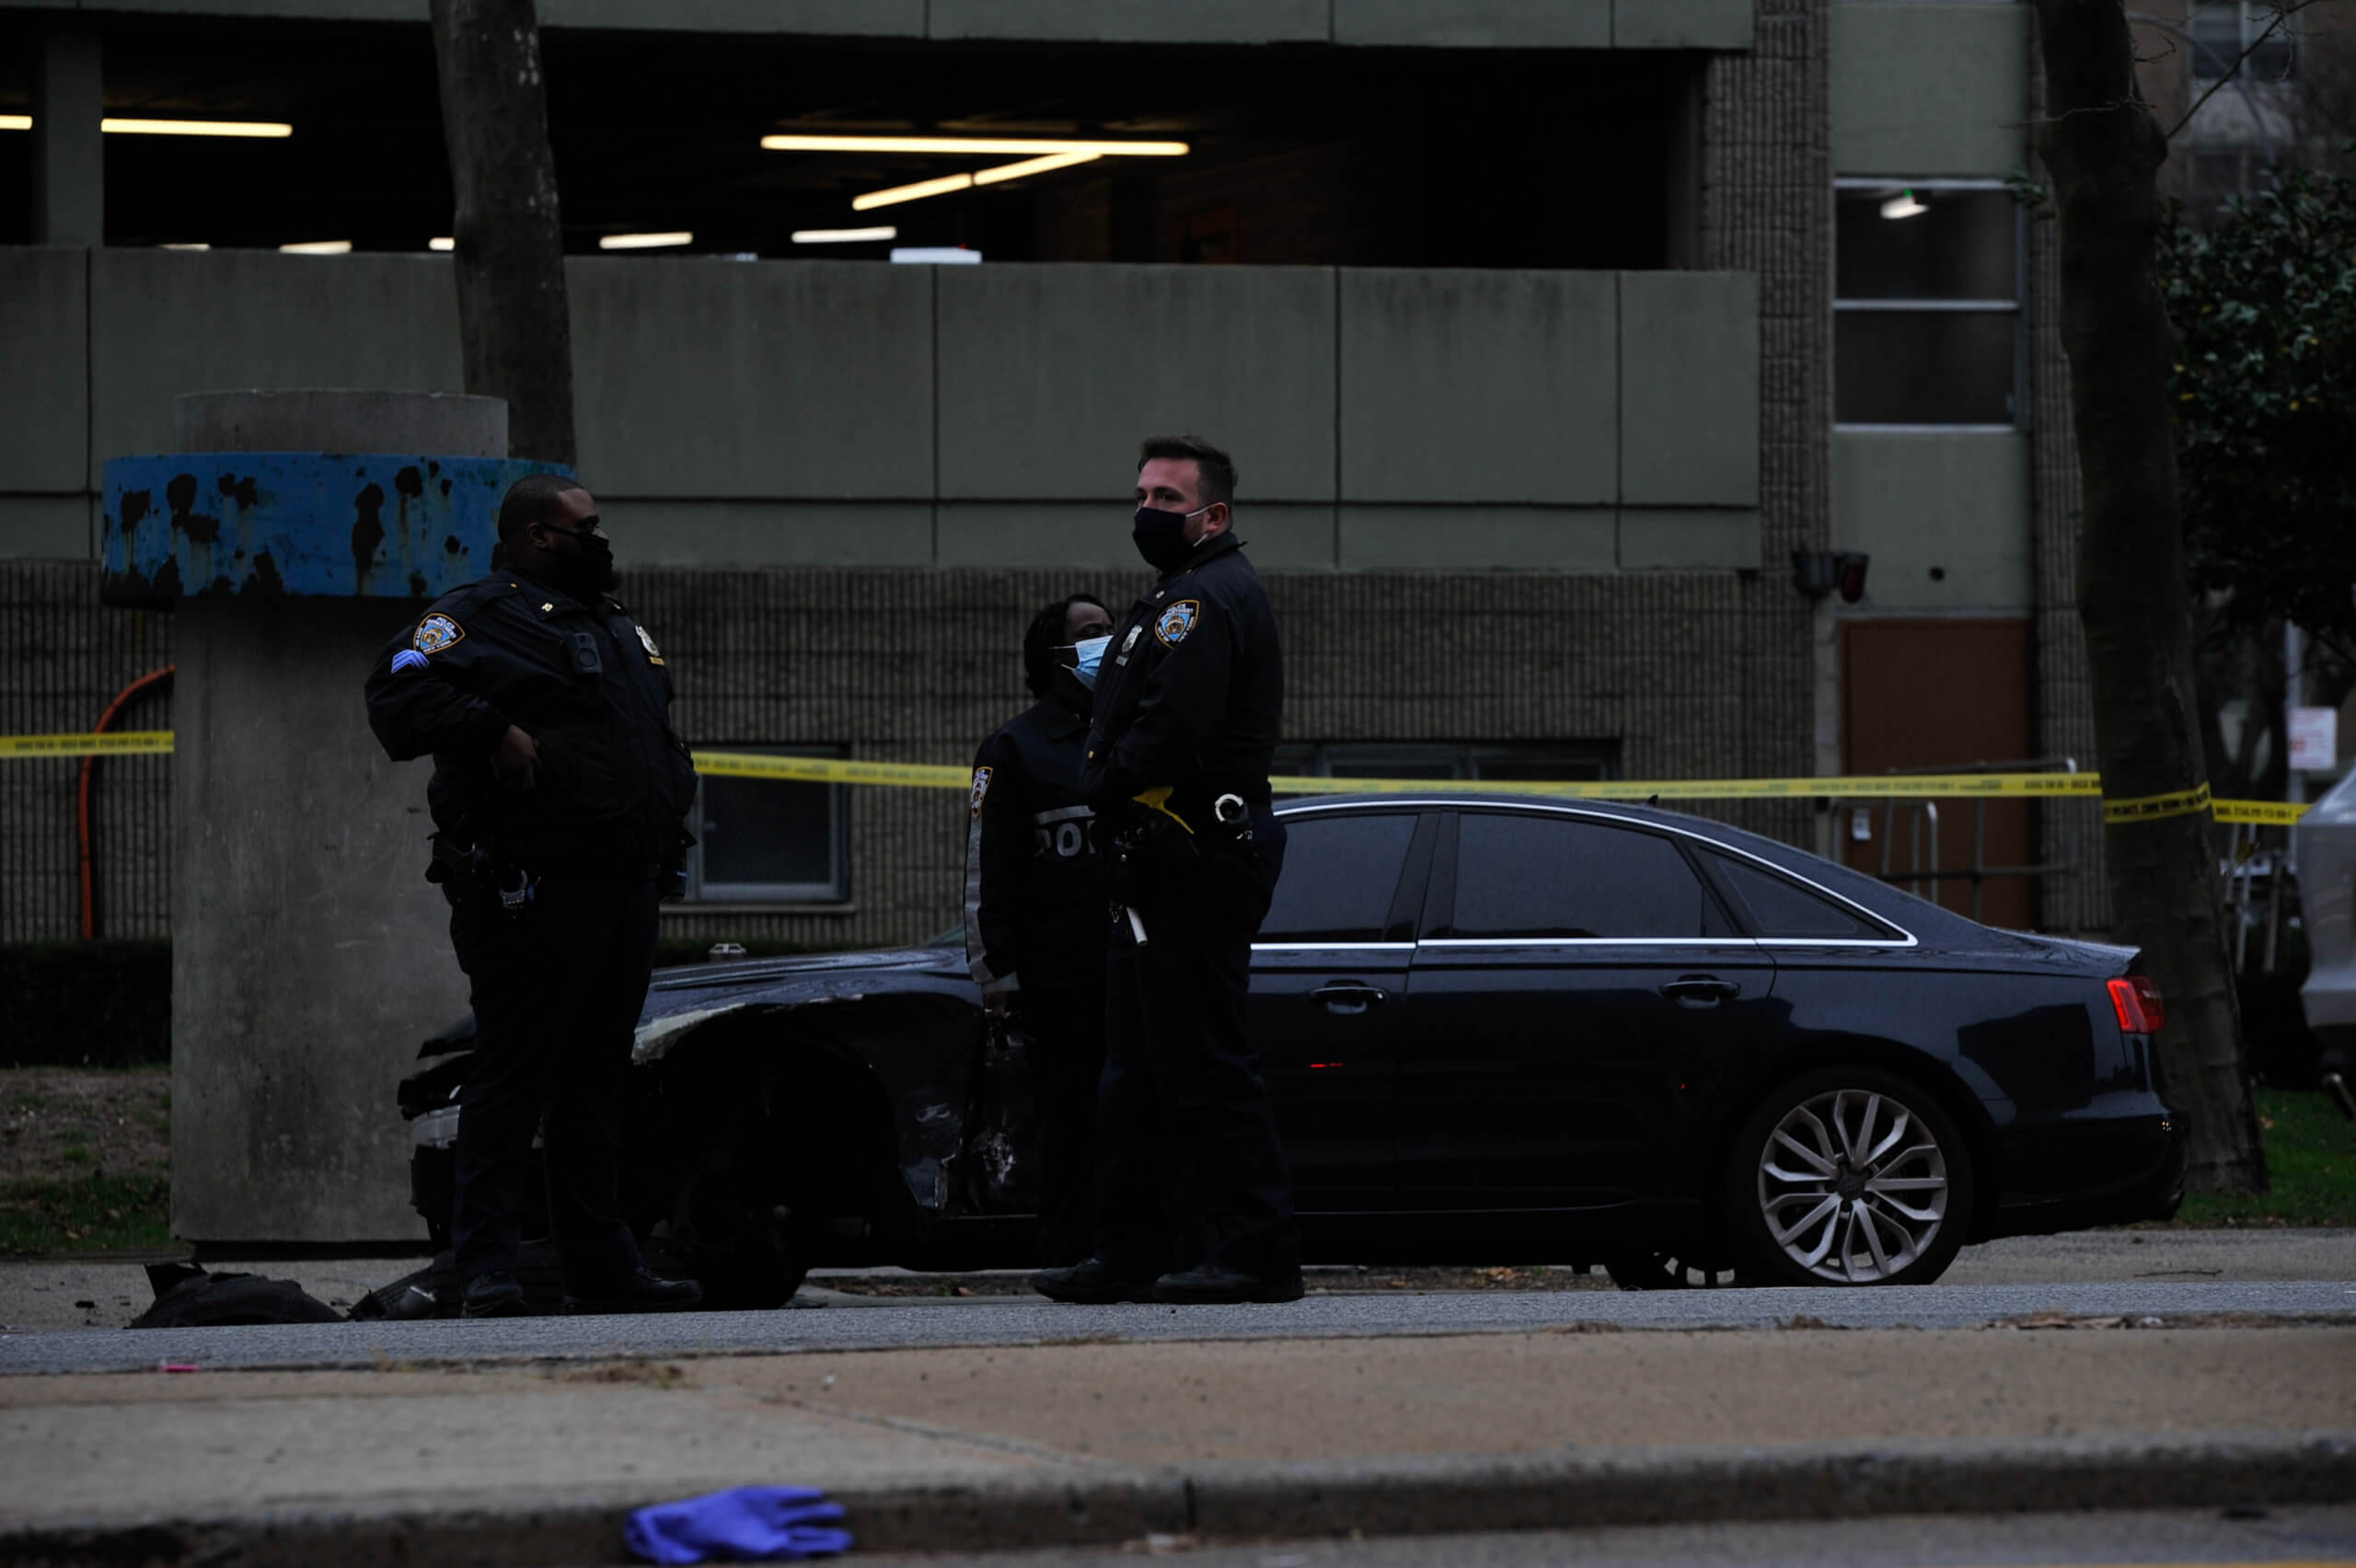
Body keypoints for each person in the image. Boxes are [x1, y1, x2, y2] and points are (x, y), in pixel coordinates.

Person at [364, 473, 704, 1320]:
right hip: (532, 891)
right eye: (586, 527)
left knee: (596, 1083)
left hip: (623, 884)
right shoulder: (477, 615)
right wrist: (489, 728)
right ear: (537, 537)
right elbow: (395, 687)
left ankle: (601, 1265)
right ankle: (485, 1269)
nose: (602, 539)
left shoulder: (614, 624)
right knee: (513, 1078)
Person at [1034, 433, 1299, 1307]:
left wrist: (1100, 783)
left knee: (1202, 1058)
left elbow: (1169, 728)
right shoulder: (1172, 597)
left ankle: (1254, 1254)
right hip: (1152, 860)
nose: (1146, 511)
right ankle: (1132, 1250)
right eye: (1142, 494)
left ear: (1212, 516)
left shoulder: (1206, 599)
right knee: (1137, 1067)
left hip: (1197, 853)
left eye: (1167, 500)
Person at [966, 594, 1117, 1268]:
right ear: (1053, 653)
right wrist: (996, 973)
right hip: (1060, 978)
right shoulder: (1012, 750)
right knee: (1070, 1120)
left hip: (1133, 966)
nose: (1106, 642)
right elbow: (986, 872)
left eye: (1110, 630)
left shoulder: (1134, 736)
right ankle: (1069, 1254)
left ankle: (1136, 1250)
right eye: (1090, 633)